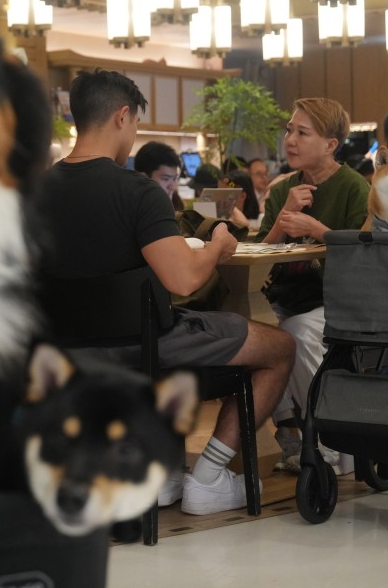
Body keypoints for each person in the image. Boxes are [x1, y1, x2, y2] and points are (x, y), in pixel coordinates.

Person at [37, 69, 295, 515]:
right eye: (135, 124)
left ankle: (161, 471)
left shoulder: (33, 193)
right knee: (280, 346)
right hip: (143, 347)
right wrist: (216, 243)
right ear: (122, 116)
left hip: (64, 353)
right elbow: (183, 280)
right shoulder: (138, 192)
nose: (133, 136)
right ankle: (210, 477)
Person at [255, 97, 369, 474]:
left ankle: (330, 439)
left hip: (339, 301)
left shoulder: (355, 188)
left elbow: (365, 256)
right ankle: (290, 431)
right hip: (285, 299)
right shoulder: (281, 191)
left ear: (330, 144)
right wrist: (283, 217)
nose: (291, 139)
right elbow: (259, 257)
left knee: (296, 331)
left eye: (303, 133)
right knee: (250, 332)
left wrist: (319, 232)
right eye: (290, 130)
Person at [133, 140, 184, 210]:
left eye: (174, 179)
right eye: (166, 179)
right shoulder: (128, 209)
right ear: (143, 178)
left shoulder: (177, 205)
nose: (172, 187)